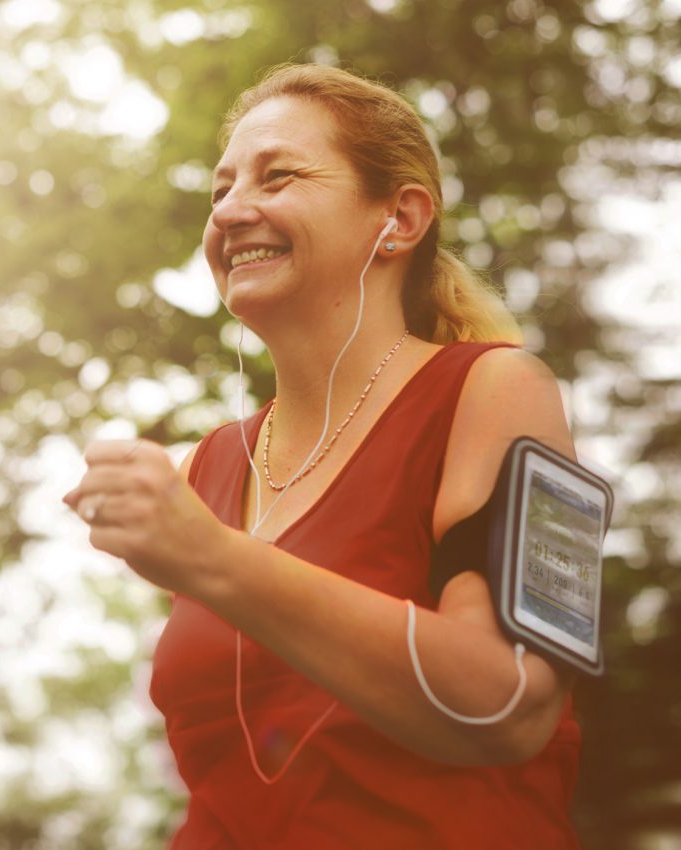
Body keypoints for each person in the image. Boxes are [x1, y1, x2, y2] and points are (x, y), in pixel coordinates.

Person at [62, 63, 583, 848]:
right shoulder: (206, 469)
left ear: (399, 220)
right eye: (220, 191)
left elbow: (512, 705)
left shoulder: (503, 391)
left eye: (279, 177)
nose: (233, 210)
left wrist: (213, 559)